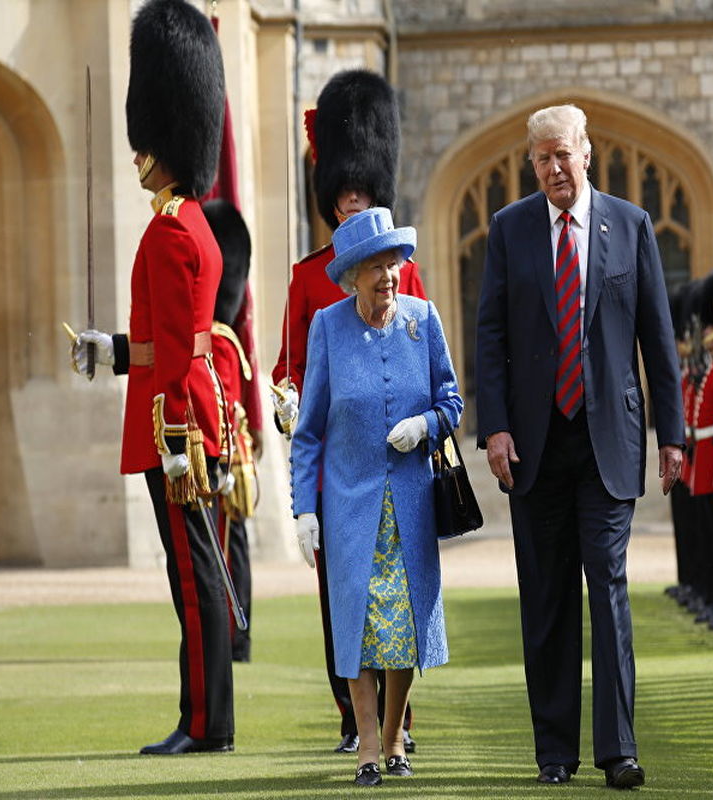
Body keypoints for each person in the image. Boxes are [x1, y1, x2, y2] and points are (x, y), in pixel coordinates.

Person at [475, 103, 684, 789]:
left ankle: (617, 749)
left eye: (563, 154)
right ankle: (555, 754)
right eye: (542, 158)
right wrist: (496, 427)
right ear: (531, 163)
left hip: (610, 443)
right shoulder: (509, 230)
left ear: (586, 153)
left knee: (610, 588)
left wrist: (672, 437)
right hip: (535, 445)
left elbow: (657, 338)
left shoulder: (630, 226)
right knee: (547, 599)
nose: (554, 168)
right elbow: (492, 337)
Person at [70, 0, 233, 754]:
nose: (137, 156)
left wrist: (174, 439)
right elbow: (168, 340)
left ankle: (202, 725)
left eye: (145, 146)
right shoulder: (189, 222)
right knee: (195, 575)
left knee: (193, 583)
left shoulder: (172, 232)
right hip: (184, 411)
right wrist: (108, 350)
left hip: (175, 426)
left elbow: (174, 351)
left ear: (167, 144)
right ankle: (206, 720)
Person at [270, 68, 425, 754]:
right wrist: (289, 399)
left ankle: (398, 725)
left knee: (399, 585)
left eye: (358, 186)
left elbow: (423, 346)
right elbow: (288, 364)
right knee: (343, 591)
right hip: (335, 456)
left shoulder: (404, 271)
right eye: (339, 189)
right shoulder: (309, 277)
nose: (348, 198)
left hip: (393, 451)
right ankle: (350, 715)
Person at [290, 206, 461, 787]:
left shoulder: (423, 319)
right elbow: (308, 428)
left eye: (393, 264)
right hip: (349, 504)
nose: (389, 276)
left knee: (405, 623)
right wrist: (304, 507)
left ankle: (393, 738)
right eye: (377, 267)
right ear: (352, 276)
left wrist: (426, 426)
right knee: (358, 624)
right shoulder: (328, 327)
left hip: (410, 499)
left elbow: (452, 401)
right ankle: (366, 744)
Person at [203, 198, 259, 663]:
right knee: (229, 542)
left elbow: (222, 399)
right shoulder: (222, 335)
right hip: (224, 449)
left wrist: (218, 460)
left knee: (226, 543)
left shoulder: (219, 339)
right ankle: (233, 633)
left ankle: (236, 634)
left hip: (222, 454)